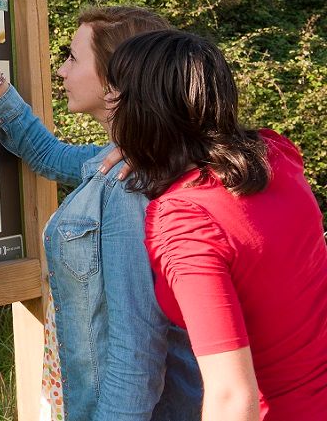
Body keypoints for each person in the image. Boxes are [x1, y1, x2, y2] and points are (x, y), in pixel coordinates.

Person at [0, 3, 202, 421]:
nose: (62, 70)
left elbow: (134, 354)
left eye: (72, 57)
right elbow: (50, 154)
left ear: (114, 83)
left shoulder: (128, 184)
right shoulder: (117, 160)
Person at [106, 30, 327, 421]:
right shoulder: (277, 154)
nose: (111, 105)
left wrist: (151, 146)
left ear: (144, 111)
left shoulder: (185, 221)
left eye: (118, 96)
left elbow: (230, 396)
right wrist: (154, 148)